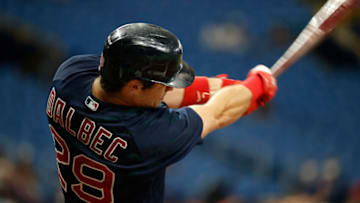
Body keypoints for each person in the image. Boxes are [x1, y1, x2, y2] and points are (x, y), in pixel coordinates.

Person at [46, 22, 277, 203]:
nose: (169, 87)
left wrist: (230, 87)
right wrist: (257, 85)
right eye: (164, 83)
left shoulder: (70, 77)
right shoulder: (146, 138)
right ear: (134, 85)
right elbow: (217, 113)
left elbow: (153, 92)